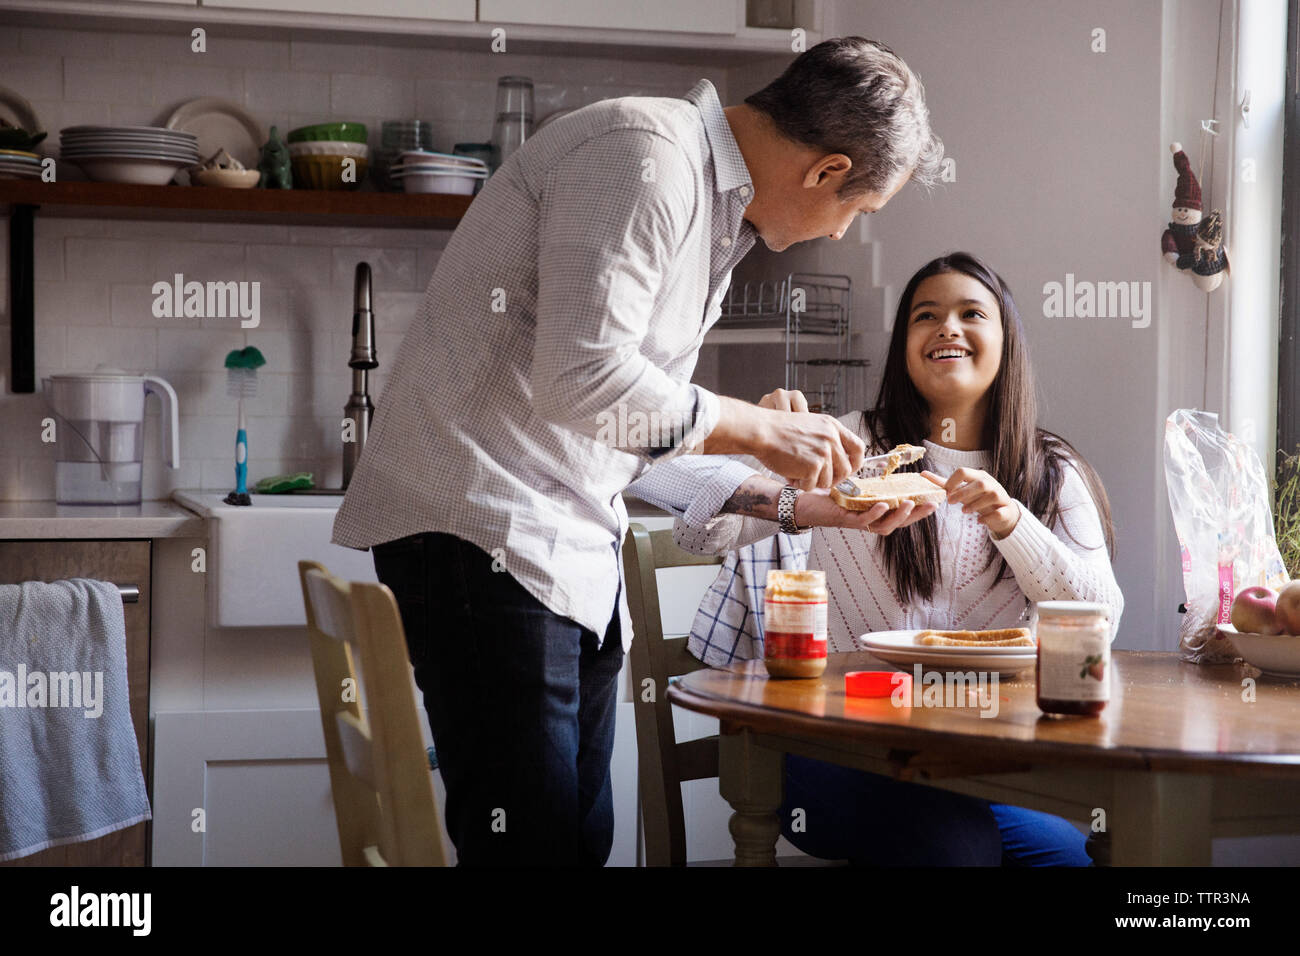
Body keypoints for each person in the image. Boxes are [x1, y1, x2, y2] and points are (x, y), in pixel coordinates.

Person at [331, 37, 944, 866]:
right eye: (857, 213)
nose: (842, 229)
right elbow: (584, 380)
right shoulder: (645, 158)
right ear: (827, 170)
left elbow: (629, 432)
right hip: (485, 533)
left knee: (574, 845)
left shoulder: (712, 212)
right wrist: (759, 428)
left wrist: (797, 503)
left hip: (551, 551)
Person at [670, 251, 1125, 865]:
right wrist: (762, 443)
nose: (947, 328)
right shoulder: (847, 445)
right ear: (904, 346)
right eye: (925, 316)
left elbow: (1100, 622)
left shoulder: (1048, 472)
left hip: (974, 766)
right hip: (832, 746)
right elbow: (693, 525)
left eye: (972, 313)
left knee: (1067, 861)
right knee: (956, 849)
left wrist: (1011, 522)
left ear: (1007, 342)